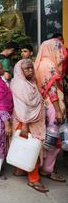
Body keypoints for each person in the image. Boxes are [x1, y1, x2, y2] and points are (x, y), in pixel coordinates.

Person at [10, 59, 48, 193]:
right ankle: (34, 180)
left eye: (31, 68)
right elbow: (22, 107)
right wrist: (25, 124)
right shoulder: (20, 84)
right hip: (25, 122)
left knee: (23, 148)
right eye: (27, 69)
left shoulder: (29, 83)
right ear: (20, 70)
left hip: (30, 121)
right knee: (32, 150)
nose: (31, 70)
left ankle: (20, 170)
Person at [34, 38, 67, 182]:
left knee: (48, 137)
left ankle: (44, 166)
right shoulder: (48, 65)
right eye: (58, 48)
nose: (61, 52)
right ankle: (47, 169)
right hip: (53, 106)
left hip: (47, 105)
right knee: (54, 139)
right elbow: (51, 89)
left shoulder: (42, 63)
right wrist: (58, 110)